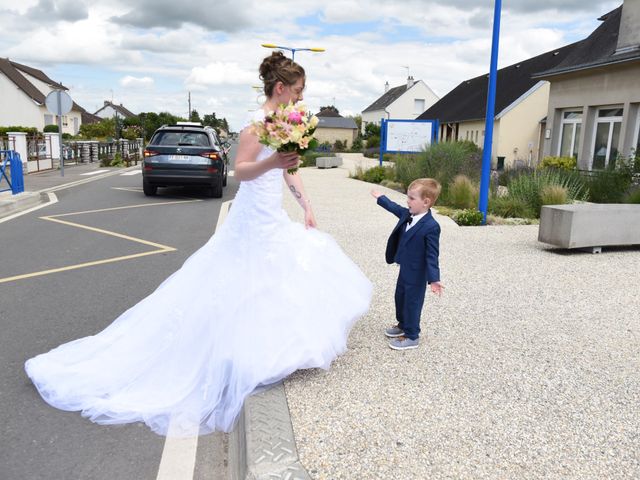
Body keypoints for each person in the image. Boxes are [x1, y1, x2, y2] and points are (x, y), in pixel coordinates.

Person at [25, 52, 372, 436]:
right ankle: (241, 355)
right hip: (251, 217)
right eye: (299, 90)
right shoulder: (255, 127)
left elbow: (288, 169)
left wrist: (306, 205)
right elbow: (242, 171)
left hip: (272, 214)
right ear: (280, 88)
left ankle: (275, 352)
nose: (302, 98)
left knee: (281, 275)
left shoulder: (286, 124)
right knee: (243, 280)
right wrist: (272, 165)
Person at [371, 179, 443, 351]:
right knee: (400, 297)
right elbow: (394, 207)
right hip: (405, 269)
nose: (407, 201)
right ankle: (402, 324)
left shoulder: (432, 226)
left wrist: (434, 279)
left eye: (411, 198)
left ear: (425, 202)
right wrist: (381, 198)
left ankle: (412, 335)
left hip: (418, 274)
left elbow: (432, 255)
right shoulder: (408, 214)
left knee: (412, 302)